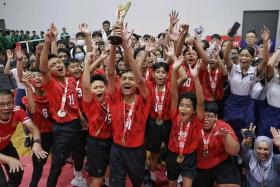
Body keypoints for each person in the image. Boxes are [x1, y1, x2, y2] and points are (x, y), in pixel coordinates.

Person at [107, 22, 151, 187]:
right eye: (124, 78)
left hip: (136, 152)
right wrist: (114, 42)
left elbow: (140, 79)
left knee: (137, 183)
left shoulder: (144, 99)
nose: (127, 81)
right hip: (117, 149)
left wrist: (125, 44)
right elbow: (111, 73)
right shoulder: (115, 97)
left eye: (130, 79)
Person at [39, 29, 84, 187]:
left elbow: (75, 104)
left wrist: (82, 119)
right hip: (62, 128)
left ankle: (79, 179)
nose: (58, 65)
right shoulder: (50, 83)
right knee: (57, 163)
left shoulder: (71, 80)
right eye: (54, 65)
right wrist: (48, 42)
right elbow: (43, 67)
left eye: (59, 63)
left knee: (79, 154)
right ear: (50, 71)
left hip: (77, 124)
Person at [167, 56, 204, 187]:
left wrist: (195, 78)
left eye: (188, 106)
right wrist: (174, 70)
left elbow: (200, 101)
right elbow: (173, 94)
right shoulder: (175, 114)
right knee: (171, 183)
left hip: (189, 157)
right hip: (172, 154)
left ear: (194, 110)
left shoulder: (197, 120)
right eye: (182, 105)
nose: (183, 108)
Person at [0, 89, 47, 187]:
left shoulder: (17, 110)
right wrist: (9, 160)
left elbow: (33, 128)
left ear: (14, 102)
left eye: (10, 103)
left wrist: (37, 142)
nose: (6, 108)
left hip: (6, 146)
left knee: (17, 174)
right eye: (1, 104)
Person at [192, 102, 240, 187]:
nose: (205, 119)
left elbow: (234, 151)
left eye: (209, 116)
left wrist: (226, 136)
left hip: (221, 161)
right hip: (199, 164)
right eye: (203, 116)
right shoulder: (192, 126)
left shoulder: (223, 126)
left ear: (216, 117)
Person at [82, 52, 112, 187]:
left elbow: (111, 76)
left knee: (109, 171)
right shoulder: (89, 101)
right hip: (96, 143)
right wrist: (87, 63)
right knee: (97, 179)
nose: (99, 89)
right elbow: (86, 86)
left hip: (112, 141)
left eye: (101, 87)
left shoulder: (109, 98)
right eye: (95, 88)